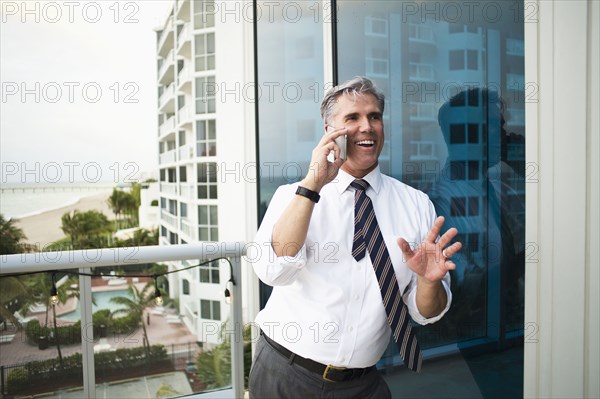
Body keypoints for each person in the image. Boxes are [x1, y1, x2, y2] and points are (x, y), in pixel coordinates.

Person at [248, 76, 461, 398]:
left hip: (363, 385)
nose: (367, 126)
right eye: (353, 118)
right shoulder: (292, 196)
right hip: (285, 374)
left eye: (374, 116)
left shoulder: (416, 204)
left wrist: (430, 281)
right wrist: (312, 185)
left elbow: (427, 313)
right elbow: (273, 271)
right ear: (329, 131)